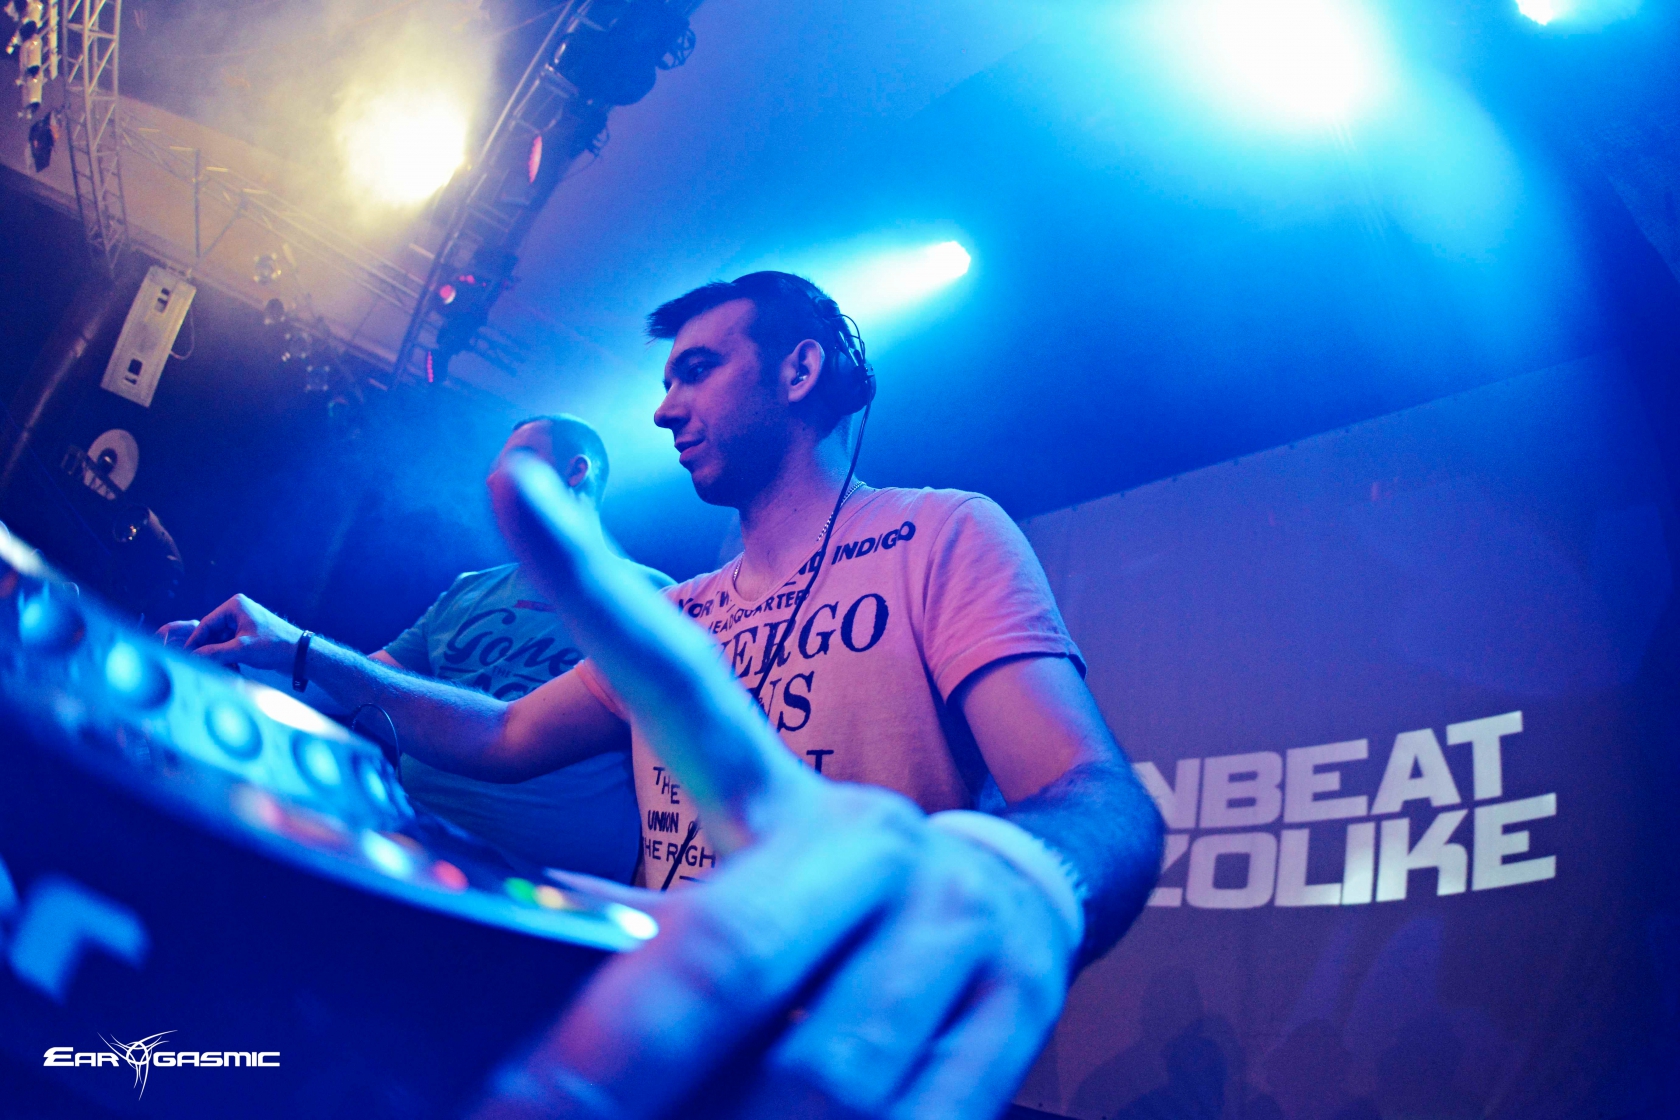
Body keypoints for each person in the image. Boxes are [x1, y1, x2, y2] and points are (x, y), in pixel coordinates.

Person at [175, 272, 1163, 1113]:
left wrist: (1025, 877)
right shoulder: (680, 612)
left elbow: (1095, 790)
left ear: (800, 371)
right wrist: (298, 650)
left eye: (697, 369)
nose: (662, 409)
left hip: (844, 1060)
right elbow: (502, 734)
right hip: (659, 1044)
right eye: (664, 381)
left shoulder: (941, 534)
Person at [163, 415, 667, 882]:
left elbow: (512, 734)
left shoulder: (655, 600)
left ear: (577, 471)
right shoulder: (470, 589)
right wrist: (236, 654)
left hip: (550, 890)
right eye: (493, 469)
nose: (494, 480)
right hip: (411, 851)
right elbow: (355, 688)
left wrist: (297, 645)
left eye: (518, 460)